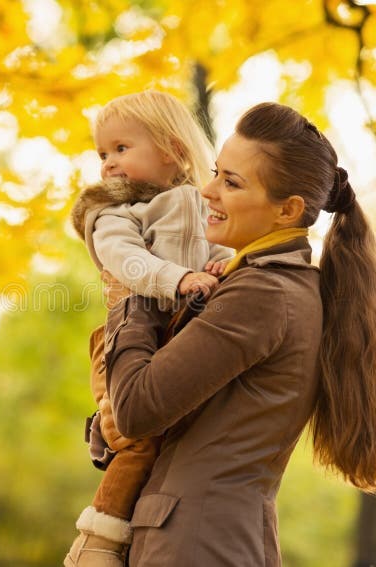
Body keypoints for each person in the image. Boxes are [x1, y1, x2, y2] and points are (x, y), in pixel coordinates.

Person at [97, 102, 376, 566]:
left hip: (199, 545)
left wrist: (130, 296)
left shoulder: (264, 293)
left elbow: (139, 408)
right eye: (217, 172)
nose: (206, 190)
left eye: (231, 182)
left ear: (289, 210)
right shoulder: (254, 282)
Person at [65, 91, 232, 567]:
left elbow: (215, 251)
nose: (108, 164)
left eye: (121, 149)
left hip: (172, 336)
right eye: (102, 154)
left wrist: (226, 268)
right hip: (122, 341)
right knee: (137, 441)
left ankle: (144, 538)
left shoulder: (200, 205)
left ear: (173, 150)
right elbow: (130, 261)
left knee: (169, 443)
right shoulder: (114, 214)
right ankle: (95, 543)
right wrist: (178, 279)